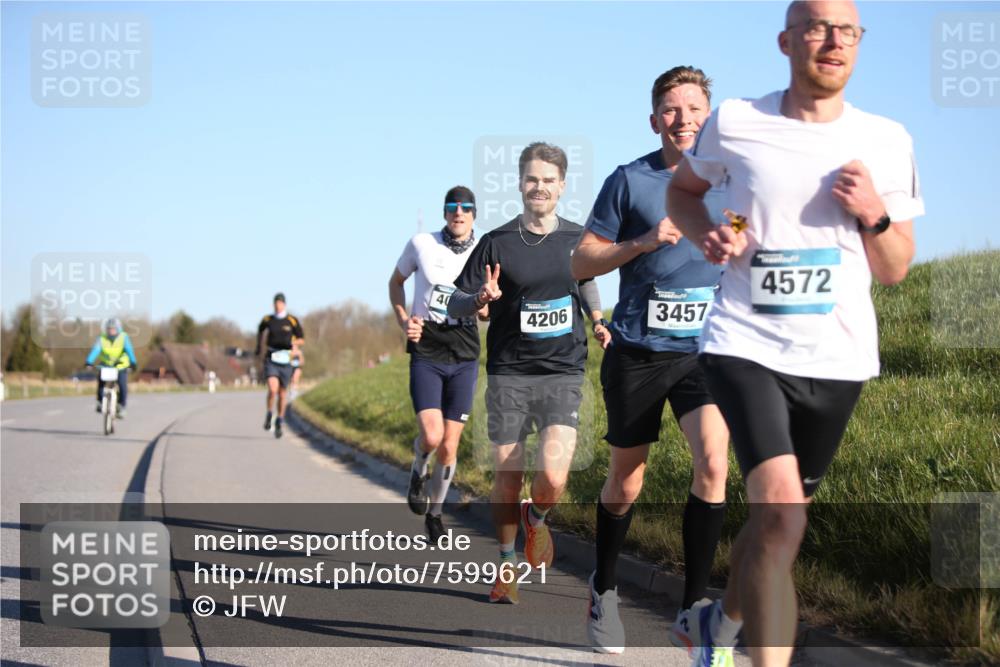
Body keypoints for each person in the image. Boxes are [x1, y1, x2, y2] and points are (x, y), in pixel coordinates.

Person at [667, 3, 923, 666]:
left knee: (775, 522)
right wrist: (706, 235)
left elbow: (894, 267)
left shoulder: (888, 139)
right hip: (743, 340)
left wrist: (873, 215)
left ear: (860, 44)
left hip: (837, 356)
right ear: (786, 41)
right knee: (783, 512)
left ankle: (717, 624)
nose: (833, 40)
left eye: (848, 30)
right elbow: (684, 194)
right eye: (817, 26)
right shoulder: (737, 122)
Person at [571, 66, 731, 656]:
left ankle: (692, 613)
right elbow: (581, 264)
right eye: (671, 108)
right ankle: (604, 587)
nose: (683, 118)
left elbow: (744, 241)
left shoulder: (731, 181)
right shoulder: (629, 181)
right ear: (654, 119)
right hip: (637, 352)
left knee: (714, 464)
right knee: (626, 482)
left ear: (708, 116)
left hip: (703, 355)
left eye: (693, 108)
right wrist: (642, 243)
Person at [449, 142, 609, 605]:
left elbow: (586, 281)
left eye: (548, 180)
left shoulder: (578, 238)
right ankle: (505, 564)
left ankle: (535, 518)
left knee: (554, 477)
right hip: (510, 374)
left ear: (561, 186)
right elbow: (456, 298)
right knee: (506, 473)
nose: (539, 187)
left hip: (562, 371)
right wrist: (480, 299)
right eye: (531, 179)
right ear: (520, 184)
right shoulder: (496, 242)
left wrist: (597, 320)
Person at [389, 186, 485, 543]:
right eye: (451, 207)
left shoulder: (483, 250)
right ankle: (418, 467)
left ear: (474, 213)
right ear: (444, 212)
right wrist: (403, 320)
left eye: (465, 208)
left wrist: (487, 305)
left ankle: (435, 513)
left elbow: (489, 307)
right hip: (426, 348)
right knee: (431, 436)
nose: (458, 213)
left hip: (464, 351)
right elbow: (395, 283)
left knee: (450, 445)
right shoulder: (421, 244)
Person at [256, 293, 305, 439]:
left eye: (280, 303)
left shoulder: (292, 320)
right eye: (275, 303)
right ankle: (269, 413)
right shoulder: (268, 319)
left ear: (284, 304)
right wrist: (259, 347)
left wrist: (294, 343)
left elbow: (302, 339)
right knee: (272, 389)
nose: (278, 306)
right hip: (272, 357)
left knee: (283, 393)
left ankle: (279, 420)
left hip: (286, 360)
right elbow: (260, 331)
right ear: (273, 305)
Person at [85, 317, 136, 418]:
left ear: (118, 329)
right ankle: (100, 402)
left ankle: (121, 406)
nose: (111, 331)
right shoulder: (102, 338)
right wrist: (89, 362)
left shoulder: (123, 337)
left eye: (113, 329)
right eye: (109, 329)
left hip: (120, 365)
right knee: (101, 382)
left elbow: (129, 350)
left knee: (122, 385)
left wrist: (133, 363)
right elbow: (96, 350)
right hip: (106, 365)